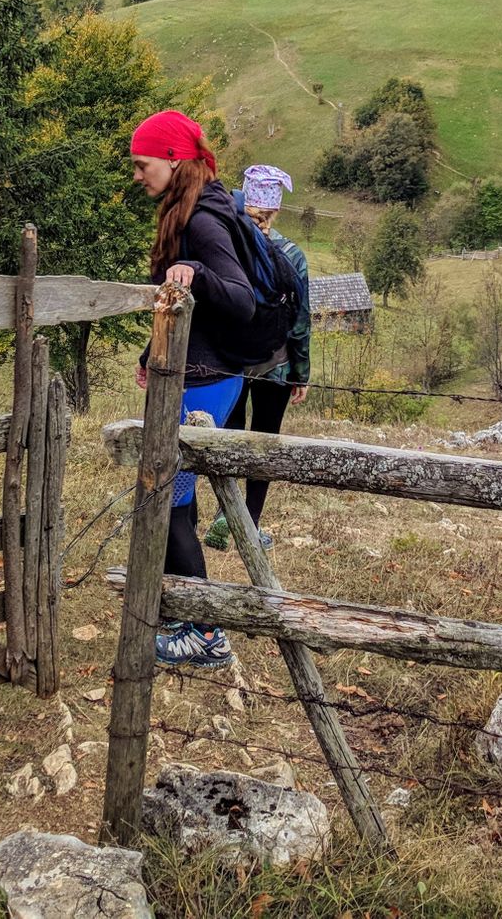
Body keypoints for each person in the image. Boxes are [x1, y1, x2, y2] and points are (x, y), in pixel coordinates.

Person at [127, 108, 283, 670]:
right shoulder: (193, 206)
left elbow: (237, 301)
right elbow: (186, 304)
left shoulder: (202, 222)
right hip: (197, 373)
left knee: (170, 497)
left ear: (173, 160)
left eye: (143, 165)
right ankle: (184, 609)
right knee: (177, 498)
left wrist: (194, 266)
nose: (138, 176)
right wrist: (153, 354)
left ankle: (205, 632)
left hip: (206, 383)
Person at [204, 165, 309, 552]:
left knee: (230, 438)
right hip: (275, 363)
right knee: (263, 443)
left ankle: (222, 516)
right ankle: (249, 526)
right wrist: (301, 371)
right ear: (277, 209)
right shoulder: (291, 253)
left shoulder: (223, 241)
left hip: (229, 360)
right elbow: (300, 320)